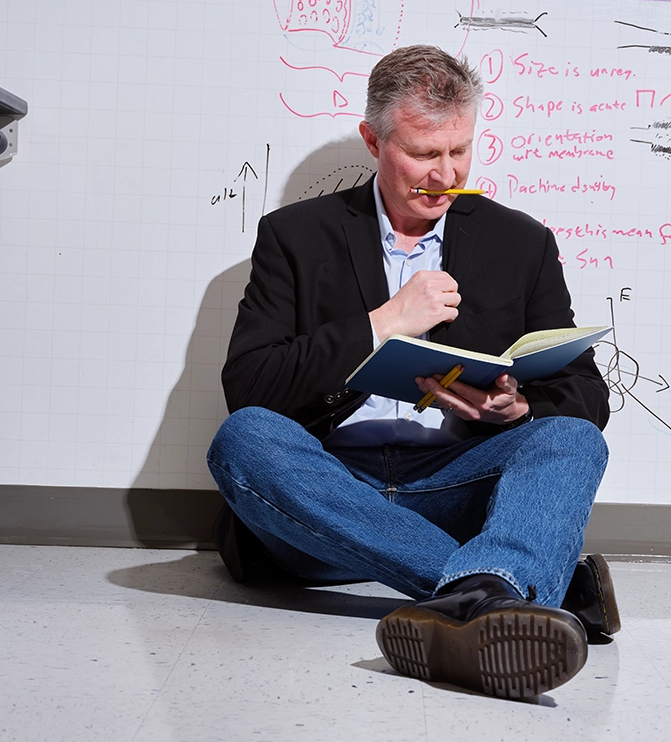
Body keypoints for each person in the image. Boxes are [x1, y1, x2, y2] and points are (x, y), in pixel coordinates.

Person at [207, 44, 618, 700]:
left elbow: (585, 392)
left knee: (572, 437)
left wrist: (521, 408)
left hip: (453, 485)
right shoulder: (294, 235)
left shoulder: (519, 242)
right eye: (425, 154)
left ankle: (476, 593)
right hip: (326, 492)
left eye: (460, 151)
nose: (445, 173)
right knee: (244, 440)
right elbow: (248, 386)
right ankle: (508, 588)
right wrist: (384, 322)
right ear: (373, 139)